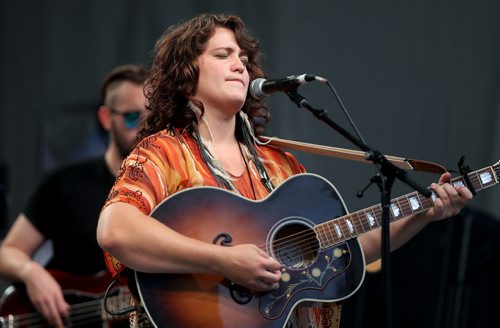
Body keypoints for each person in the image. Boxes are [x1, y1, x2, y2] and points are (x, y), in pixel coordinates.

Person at [96, 14, 473, 328]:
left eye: (243, 57)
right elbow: (115, 230)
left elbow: (347, 246)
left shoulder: (280, 164)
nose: (240, 64)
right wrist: (223, 260)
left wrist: (424, 213)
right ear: (186, 75)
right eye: (223, 54)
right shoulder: (165, 152)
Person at [0, 64, 147, 327]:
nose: (144, 128)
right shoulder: (65, 183)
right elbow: (7, 252)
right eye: (132, 117)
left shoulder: (171, 191)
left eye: (152, 117)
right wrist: (32, 273)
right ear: (105, 118)